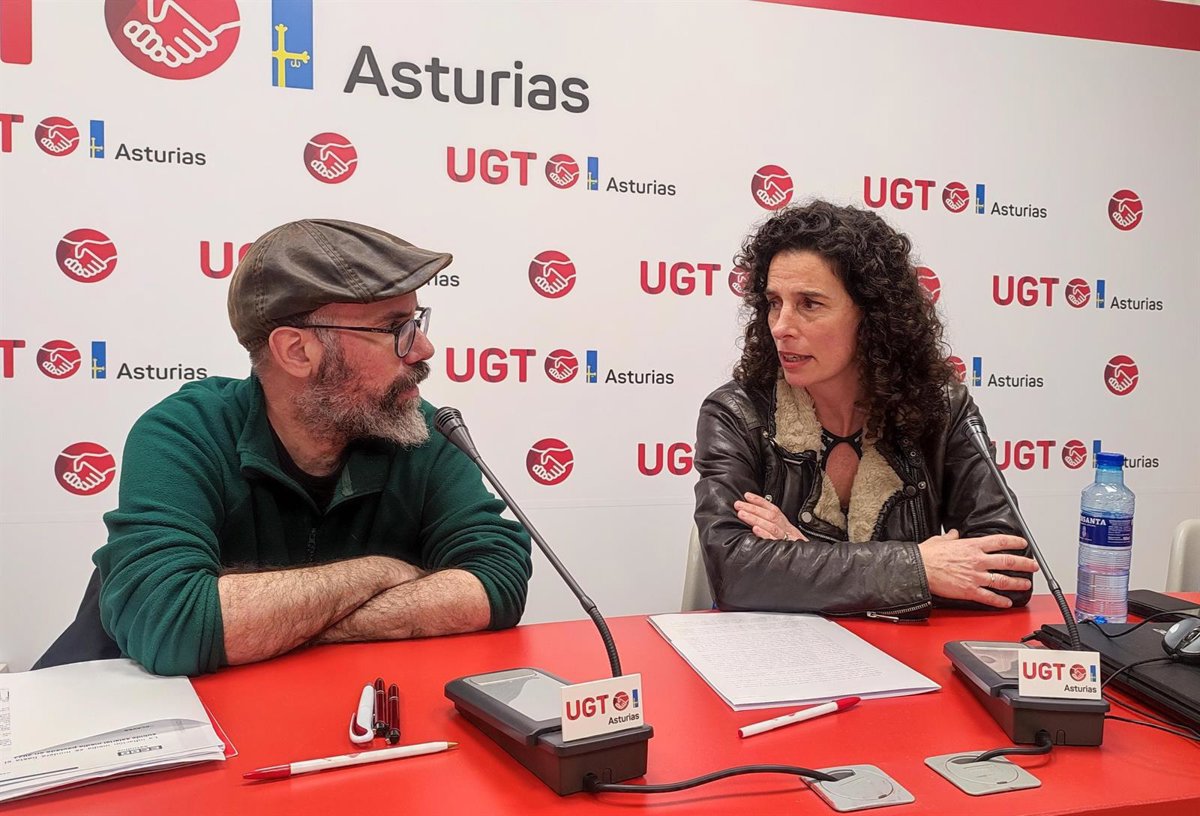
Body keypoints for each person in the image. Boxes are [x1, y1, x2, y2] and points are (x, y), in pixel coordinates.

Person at [89, 219, 532, 675]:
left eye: (416, 321)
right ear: (296, 351)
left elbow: (497, 579)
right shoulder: (186, 431)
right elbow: (169, 621)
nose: (423, 348)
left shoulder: (420, 431)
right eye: (394, 328)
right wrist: (380, 572)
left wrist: (277, 623)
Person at [693, 201, 1037, 619]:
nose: (781, 326)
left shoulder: (942, 408)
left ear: (872, 315)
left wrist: (804, 560)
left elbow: (1008, 570)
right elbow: (735, 574)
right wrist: (918, 567)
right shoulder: (737, 413)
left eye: (809, 304)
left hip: (908, 652)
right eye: (774, 302)